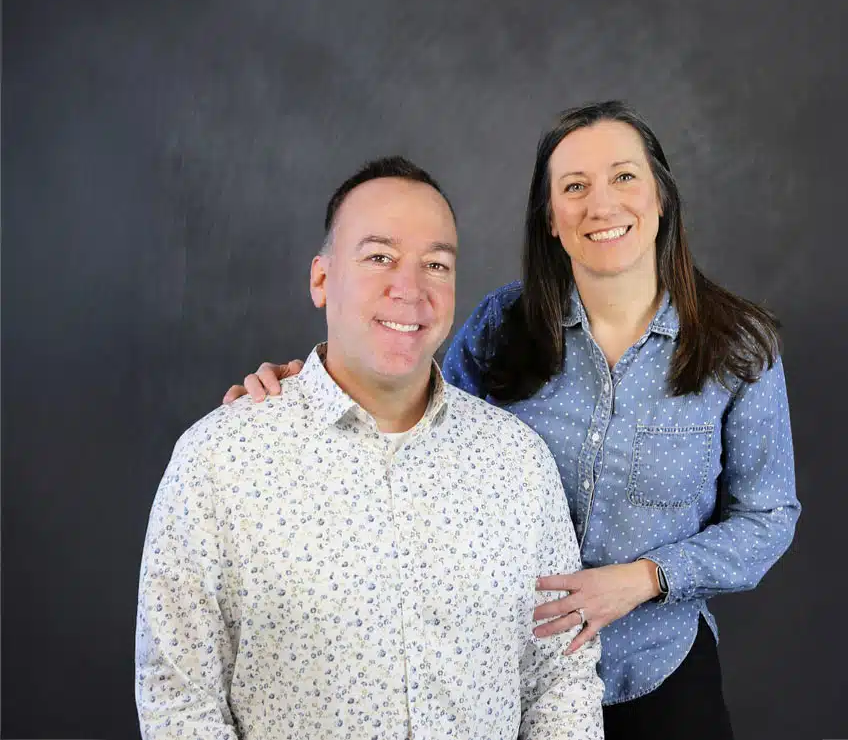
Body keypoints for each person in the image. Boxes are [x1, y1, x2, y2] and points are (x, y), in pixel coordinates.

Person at [226, 102, 800, 739]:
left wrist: (646, 579)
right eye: (574, 187)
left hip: (658, 671)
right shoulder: (503, 326)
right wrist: (307, 386)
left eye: (624, 177)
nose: (601, 204)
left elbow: (768, 517)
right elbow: (413, 417)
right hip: (504, 677)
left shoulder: (738, 346)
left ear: (661, 197)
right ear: (550, 217)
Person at [136, 156, 605, 739]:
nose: (410, 289)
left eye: (435, 264)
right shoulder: (220, 460)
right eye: (379, 257)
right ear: (321, 280)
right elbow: (180, 700)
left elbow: (561, 676)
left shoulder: (518, 462)